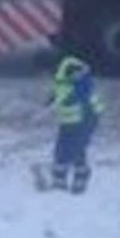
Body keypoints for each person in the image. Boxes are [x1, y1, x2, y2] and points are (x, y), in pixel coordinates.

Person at [47, 55, 103, 194]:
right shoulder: (63, 79)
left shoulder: (81, 83)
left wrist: (59, 100)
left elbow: (74, 96)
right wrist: (51, 99)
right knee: (62, 148)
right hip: (68, 121)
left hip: (85, 120)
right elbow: (59, 91)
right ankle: (59, 179)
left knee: (76, 149)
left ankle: (81, 176)